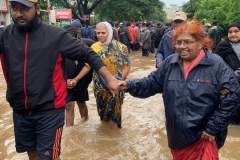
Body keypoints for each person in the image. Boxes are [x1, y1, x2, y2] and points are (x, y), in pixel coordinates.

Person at [0, 0, 119, 159]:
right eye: (14, 8)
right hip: (20, 109)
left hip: (49, 109)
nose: (18, 13)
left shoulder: (56, 36)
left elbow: (88, 54)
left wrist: (110, 78)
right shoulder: (5, 36)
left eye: (24, 8)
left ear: (36, 9)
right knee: (32, 153)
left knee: (49, 157)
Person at [118, 21, 240, 159]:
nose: (182, 46)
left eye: (187, 42)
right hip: (177, 137)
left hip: (205, 137)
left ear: (200, 43)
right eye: (178, 42)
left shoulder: (215, 64)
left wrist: (213, 126)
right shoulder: (170, 63)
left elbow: (234, 94)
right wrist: (127, 85)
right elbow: (150, 84)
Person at [91, 22, 131, 129]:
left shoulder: (120, 47)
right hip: (100, 89)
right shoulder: (93, 47)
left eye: (103, 33)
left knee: (115, 116)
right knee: (103, 116)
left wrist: (118, 82)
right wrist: (76, 79)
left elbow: (127, 65)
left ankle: (115, 140)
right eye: (98, 33)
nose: (100, 35)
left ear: (110, 32)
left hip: (116, 87)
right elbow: (88, 66)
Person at [62, 25, 94, 126]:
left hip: (82, 81)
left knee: (81, 103)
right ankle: (70, 130)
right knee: (69, 106)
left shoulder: (87, 44)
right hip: (66, 81)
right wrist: (64, 80)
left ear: (77, 37)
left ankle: (85, 124)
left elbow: (103, 46)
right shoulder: (58, 45)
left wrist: (122, 48)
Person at [215, 22, 240, 125]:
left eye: (236, 31)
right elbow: (215, 65)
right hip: (229, 84)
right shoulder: (223, 45)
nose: (233, 34)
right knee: (231, 110)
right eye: (230, 32)